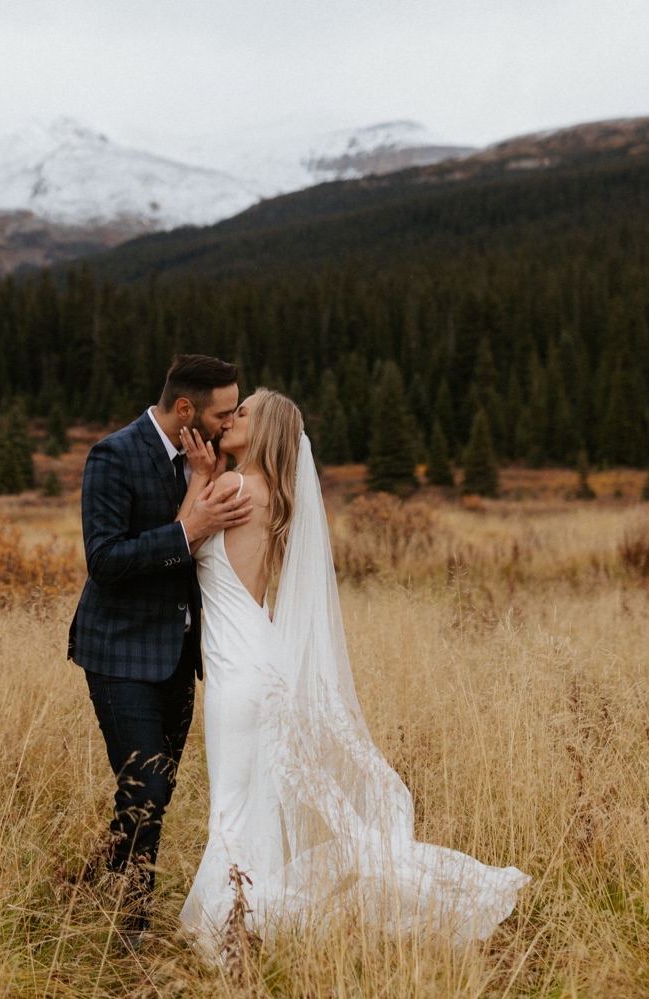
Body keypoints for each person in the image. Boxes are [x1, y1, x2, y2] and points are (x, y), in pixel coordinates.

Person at [175, 388, 529, 953]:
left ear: (262, 431)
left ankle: (225, 934)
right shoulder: (272, 494)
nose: (229, 420)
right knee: (257, 807)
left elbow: (181, 535)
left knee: (233, 809)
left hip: (236, 672)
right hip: (262, 663)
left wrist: (199, 474)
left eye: (242, 414)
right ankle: (249, 921)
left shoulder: (234, 486)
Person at [68, 354, 251, 944]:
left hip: (178, 656)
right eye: (224, 412)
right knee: (145, 788)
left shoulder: (210, 461)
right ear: (185, 409)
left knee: (156, 792)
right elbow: (104, 560)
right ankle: (129, 933)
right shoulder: (113, 456)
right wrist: (186, 532)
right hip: (118, 652)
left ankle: (99, 879)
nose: (229, 423)